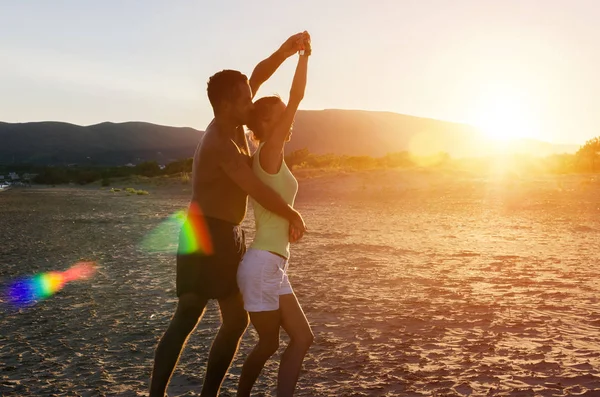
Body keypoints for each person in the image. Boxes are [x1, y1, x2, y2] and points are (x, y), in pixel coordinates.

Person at [149, 32, 308, 397]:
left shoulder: (235, 122)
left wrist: (284, 52)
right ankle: (155, 394)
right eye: (246, 98)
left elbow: (258, 73)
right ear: (226, 103)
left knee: (236, 321)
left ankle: (210, 394)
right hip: (203, 233)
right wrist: (292, 213)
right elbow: (256, 188)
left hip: (230, 235)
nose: (251, 101)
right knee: (187, 316)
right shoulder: (219, 141)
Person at [236, 32, 313, 397]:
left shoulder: (269, 155)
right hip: (264, 263)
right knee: (268, 345)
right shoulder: (267, 152)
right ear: (265, 124)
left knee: (302, 337)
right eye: (280, 116)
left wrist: (291, 220)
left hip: (274, 264)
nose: (288, 119)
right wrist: (303, 56)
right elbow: (297, 97)